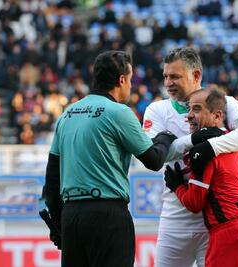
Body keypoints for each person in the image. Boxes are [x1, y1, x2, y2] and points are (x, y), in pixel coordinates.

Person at [41, 50, 176, 267]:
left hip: (71, 217)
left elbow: (51, 180)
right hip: (107, 215)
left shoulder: (67, 114)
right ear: (121, 80)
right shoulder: (119, 112)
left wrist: (58, 227)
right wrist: (165, 138)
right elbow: (154, 160)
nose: (131, 86)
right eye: (130, 80)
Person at [143, 47, 238, 267]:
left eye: (175, 76)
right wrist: (195, 141)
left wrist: (210, 146)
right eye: (166, 76)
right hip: (175, 217)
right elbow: (153, 156)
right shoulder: (157, 110)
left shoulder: (225, 102)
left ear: (196, 75)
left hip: (214, 221)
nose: (168, 83)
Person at [164, 88, 238, 267]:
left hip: (228, 236)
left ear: (217, 116)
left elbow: (195, 202)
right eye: (189, 109)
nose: (189, 115)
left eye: (197, 109)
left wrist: (177, 185)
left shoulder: (206, 150)